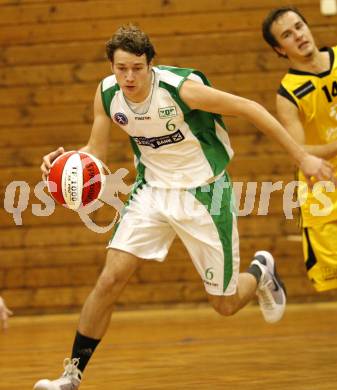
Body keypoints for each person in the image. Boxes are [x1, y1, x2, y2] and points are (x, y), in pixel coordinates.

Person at [34, 25, 333, 390]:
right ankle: (71, 375)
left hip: (205, 193)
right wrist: (66, 163)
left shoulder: (181, 89)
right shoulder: (107, 93)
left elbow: (251, 109)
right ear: (112, 66)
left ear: (150, 65)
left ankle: (260, 271)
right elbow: (95, 152)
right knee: (110, 278)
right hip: (152, 191)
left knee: (223, 305)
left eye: (137, 68)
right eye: (121, 68)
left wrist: (303, 157)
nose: (129, 77)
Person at [262, 7, 337, 293]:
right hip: (325, 189)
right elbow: (300, 149)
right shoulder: (288, 94)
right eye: (287, 35)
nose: (298, 35)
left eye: (299, 26)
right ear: (280, 49)